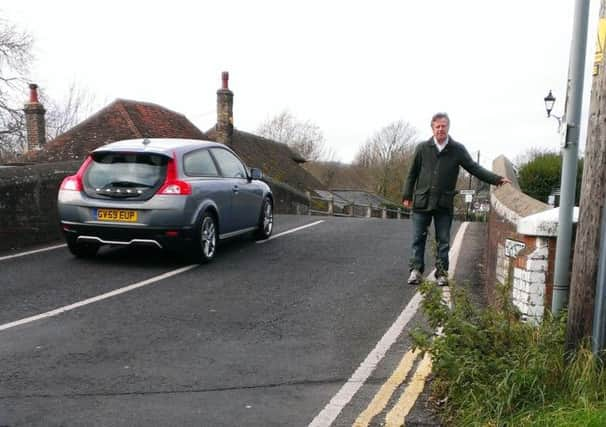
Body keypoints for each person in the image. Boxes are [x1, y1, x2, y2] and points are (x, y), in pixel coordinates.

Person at [402, 113, 511, 286]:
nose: (440, 129)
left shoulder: (457, 149)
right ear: (432, 128)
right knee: (418, 238)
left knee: (443, 241)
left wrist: (496, 179)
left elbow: (474, 168)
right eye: (437, 126)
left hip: (444, 203)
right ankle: (416, 271)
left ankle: (442, 273)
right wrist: (407, 195)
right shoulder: (422, 148)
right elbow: (412, 173)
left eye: (443, 126)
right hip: (422, 202)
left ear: (448, 127)